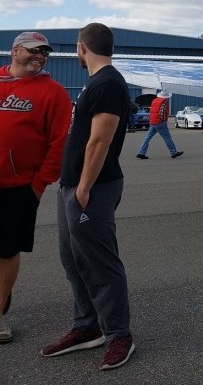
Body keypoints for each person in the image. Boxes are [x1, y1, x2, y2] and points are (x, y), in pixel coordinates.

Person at [40, 23, 135, 370]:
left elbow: (101, 140)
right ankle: (87, 327)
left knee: (100, 262)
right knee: (73, 261)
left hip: (92, 187)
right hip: (73, 186)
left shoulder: (108, 82)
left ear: (82, 47)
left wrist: (83, 187)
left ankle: (119, 335)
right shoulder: (95, 82)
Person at [0, 31, 72, 344]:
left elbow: (59, 144)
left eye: (44, 53)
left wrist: (39, 185)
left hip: (19, 187)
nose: (39, 56)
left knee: (5, 250)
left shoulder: (53, 93)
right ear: (15, 51)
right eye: (33, 50)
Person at [135, 91, 182, 160]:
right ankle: (173, 152)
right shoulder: (164, 101)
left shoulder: (154, 100)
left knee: (147, 138)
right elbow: (162, 112)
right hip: (160, 122)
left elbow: (152, 111)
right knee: (167, 138)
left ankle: (141, 153)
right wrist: (163, 120)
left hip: (153, 122)